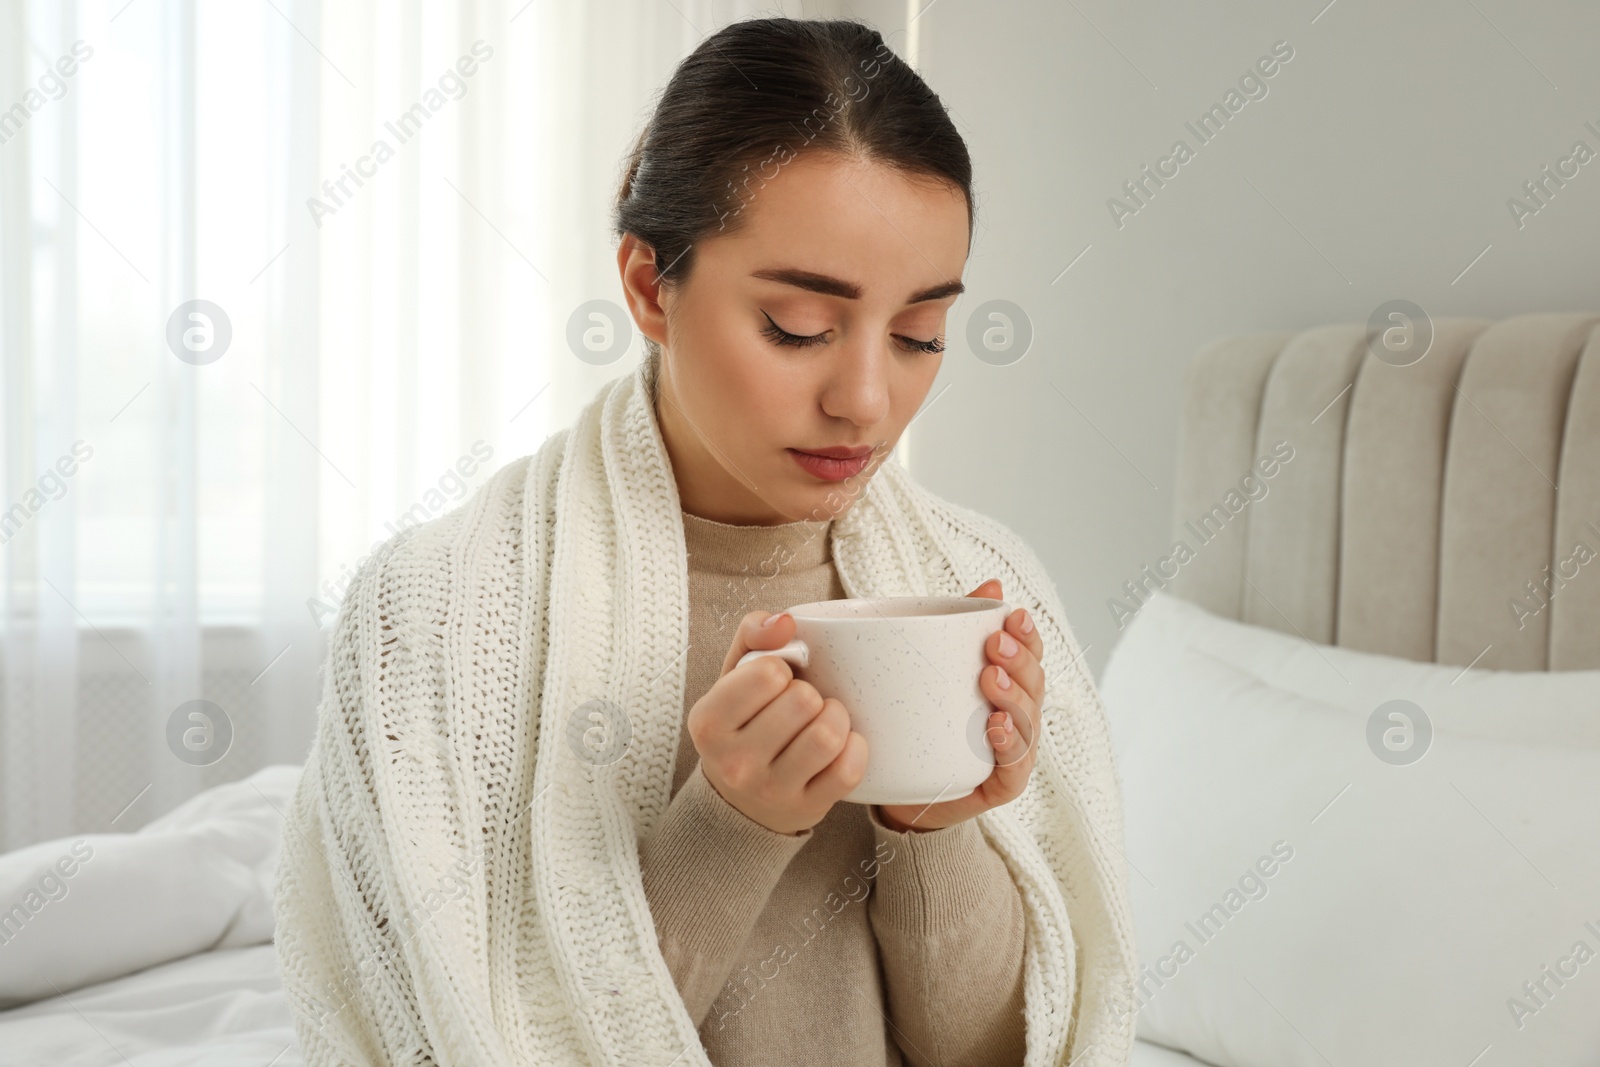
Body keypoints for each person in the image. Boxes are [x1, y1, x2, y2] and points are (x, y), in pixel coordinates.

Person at [274, 17, 1137, 1067]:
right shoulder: (433, 611)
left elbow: (1015, 1049)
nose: (867, 400)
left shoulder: (979, 593)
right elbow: (462, 1038)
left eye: (919, 335)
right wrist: (730, 825)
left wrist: (930, 828)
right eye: (797, 326)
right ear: (648, 286)